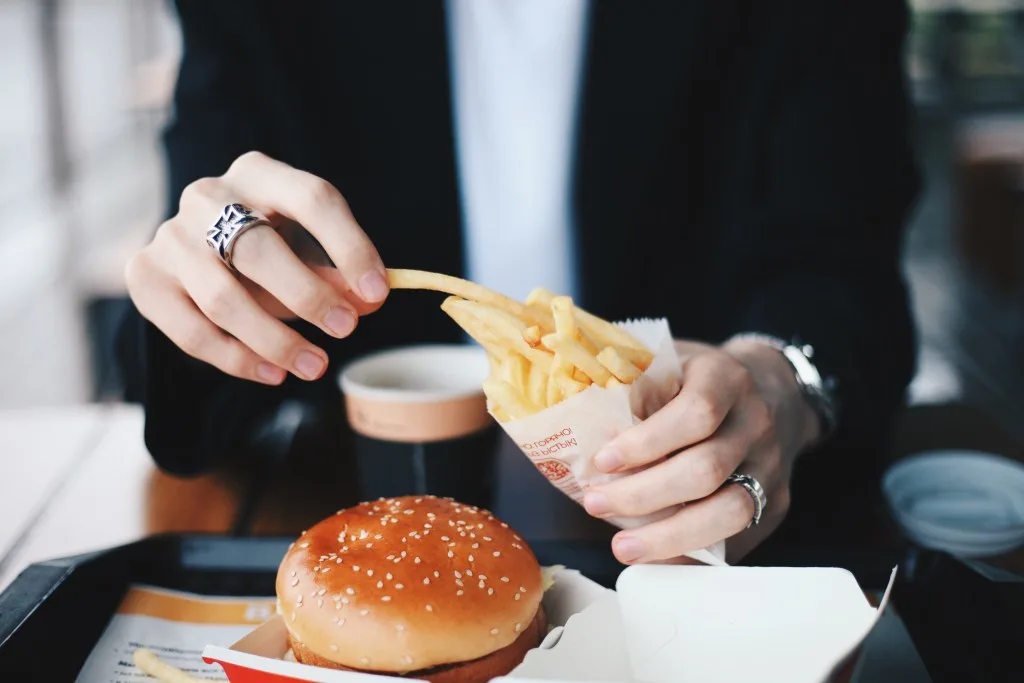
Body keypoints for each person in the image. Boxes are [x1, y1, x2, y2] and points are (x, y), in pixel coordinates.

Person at [117, 0, 920, 565]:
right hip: (350, 498)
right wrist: (206, 287)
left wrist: (780, 379)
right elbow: (199, 320)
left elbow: (841, 261)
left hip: (703, 519)